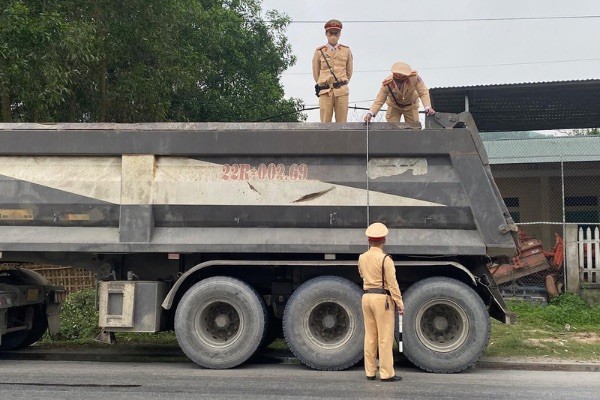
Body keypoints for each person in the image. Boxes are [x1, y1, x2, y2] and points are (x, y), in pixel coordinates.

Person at [358, 222, 404, 382]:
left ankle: (370, 372)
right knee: (384, 338)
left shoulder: (362, 257)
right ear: (384, 240)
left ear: (369, 240)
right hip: (382, 299)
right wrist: (399, 302)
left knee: (370, 336)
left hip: (366, 297)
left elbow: (362, 275)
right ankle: (386, 373)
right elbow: (392, 284)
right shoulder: (386, 259)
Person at [364, 61, 435, 123]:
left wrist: (427, 107)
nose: (399, 79)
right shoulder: (387, 83)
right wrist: (370, 113)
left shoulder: (415, 78)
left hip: (411, 106)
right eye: (397, 77)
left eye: (402, 77)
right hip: (394, 106)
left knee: (414, 129)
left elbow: (423, 92)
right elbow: (379, 100)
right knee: (391, 128)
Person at [312, 19, 353, 122]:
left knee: (342, 123)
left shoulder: (346, 51)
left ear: (339, 34)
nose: (333, 36)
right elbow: (316, 73)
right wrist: (324, 82)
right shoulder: (319, 52)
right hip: (326, 91)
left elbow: (349, 72)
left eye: (336, 33)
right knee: (325, 124)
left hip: (341, 90)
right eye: (331, 33)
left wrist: (340, 82)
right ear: (326, 33)